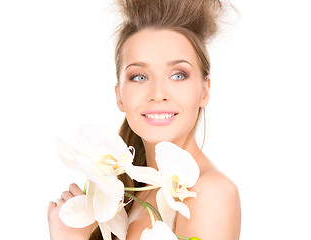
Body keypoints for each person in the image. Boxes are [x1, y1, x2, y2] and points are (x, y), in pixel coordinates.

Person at [48, 0, 241, 239]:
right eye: (140, 77)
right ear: (119, 96)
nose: (158, 94)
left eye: (178, 75)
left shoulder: (211, 193)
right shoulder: (127, 195)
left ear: (205, 91)